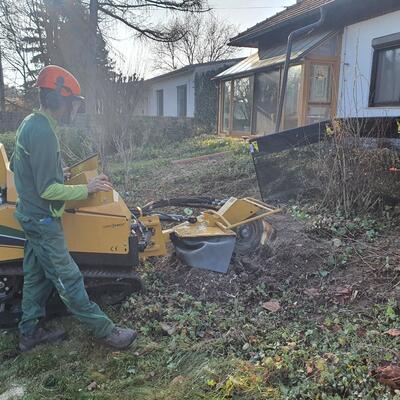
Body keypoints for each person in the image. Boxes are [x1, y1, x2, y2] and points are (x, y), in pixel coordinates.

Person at [10, 65, 137, 352]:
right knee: (68, 278)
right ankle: (104, 331)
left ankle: (29, 333)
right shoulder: (43, 131)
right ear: (60, 99)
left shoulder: (31, 122)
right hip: (43, 221)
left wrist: (59, 171)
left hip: (29, 215)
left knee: (36, 276)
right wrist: (87, 189)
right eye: (73, 104)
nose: (74, 110)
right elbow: (47, 190)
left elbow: (22, 167)